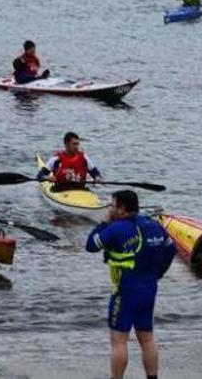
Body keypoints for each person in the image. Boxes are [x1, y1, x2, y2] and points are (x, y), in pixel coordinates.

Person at [85, 190, 175, 379]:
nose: (110, 208)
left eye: (113, 205)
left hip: (125, 292)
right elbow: (171, 250)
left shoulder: (117, 228)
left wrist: (104, 222)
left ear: (122, 209)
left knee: (119, 340)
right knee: (147, 337)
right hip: (149, 289)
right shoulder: (153, 225)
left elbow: (91, 245)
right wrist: (158, 274)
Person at [37, 132, 103, 191]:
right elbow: (39, 176)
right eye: (74, 144)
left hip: (80, 190)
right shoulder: (56, 159)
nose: (77, 147)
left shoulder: (84, 158)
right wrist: (47, 177)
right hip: (60, 190)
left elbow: (95, 173)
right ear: (66, 144)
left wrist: (97, 178)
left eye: (78, 144)